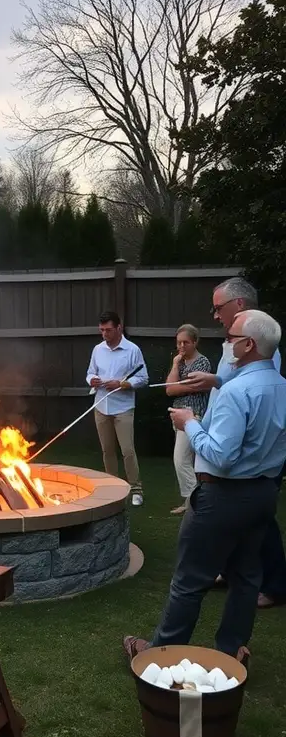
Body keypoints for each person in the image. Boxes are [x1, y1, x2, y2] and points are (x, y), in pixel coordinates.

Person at [124, 310, 286, 665]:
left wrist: (190, 423)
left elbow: (220, 455)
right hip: (263, 495)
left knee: (189, 580)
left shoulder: (235, 391)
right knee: (246, 577)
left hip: (222, 497)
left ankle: (158, 656)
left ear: (249, 345)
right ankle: (232, 651)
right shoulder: (281, 386)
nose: (226, 341)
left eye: (231, 337)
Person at [185, 277, 286, 608]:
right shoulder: (238, 343)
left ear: (239, 305)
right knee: (248, 526)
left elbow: (254, 392)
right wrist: (215, 380)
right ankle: (232, 573)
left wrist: (191, 425)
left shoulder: (260, 344)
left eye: (218, 308)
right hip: (239, 463)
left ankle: (274, 585)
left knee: (259, 526)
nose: (215, 316)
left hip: (247, 469)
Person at [86, 310, 149, 506]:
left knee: (127, 450)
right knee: (107, 450)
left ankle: (136, 489)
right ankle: (113, 489)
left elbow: (143, 378)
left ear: (119, 327)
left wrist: (123, 384)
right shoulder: (98, 349)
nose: (105, 334)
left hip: (123, 407)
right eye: (102, 330)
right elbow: (90, 373)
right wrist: (92, 380)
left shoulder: (132, 350)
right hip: (101, 405)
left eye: (109, 330)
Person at [165, 324, 211, 515]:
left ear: (195, 342)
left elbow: (176, 388)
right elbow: (169, 388)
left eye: (185, 342)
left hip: (194, 416)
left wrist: (177, 387)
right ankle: (190, 503)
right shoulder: (181, 363)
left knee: (180, 460)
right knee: (189, 461)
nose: (181, 347)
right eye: (178, 343)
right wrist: (175, 364)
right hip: (178, 415)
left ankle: (197, 502)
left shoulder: (202, 363)